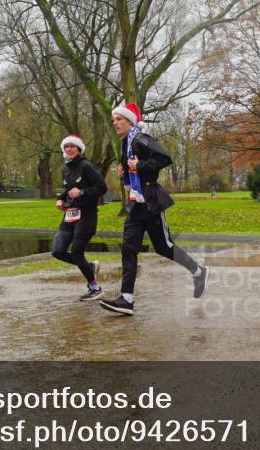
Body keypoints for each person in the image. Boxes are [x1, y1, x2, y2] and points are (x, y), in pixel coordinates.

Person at [100, 102, 208, 316]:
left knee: (164, 247)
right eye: (114, 120)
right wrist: (125, 171)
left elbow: (164, 158)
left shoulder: (140, 138)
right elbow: (133, 170)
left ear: (130, 121)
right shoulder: (125, 143)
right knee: (128, 248)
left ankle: (198, 271)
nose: (115, 123)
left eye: (119, 119)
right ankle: (126, 299)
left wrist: (138, 166)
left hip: (151, 202)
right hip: (135, 203)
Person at [51, 135, 107, 300]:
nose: (69, 149)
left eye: (72, 146)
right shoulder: (65, 169)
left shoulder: (86, 166)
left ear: (79, 149)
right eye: (66, 147)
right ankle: (90, 267)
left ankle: (95, 288)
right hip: (69, 215)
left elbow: (102, 187)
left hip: (86, 215)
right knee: (57, 251)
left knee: (76, 252)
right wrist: (60, 199)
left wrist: (82, 192)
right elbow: (67, 190)